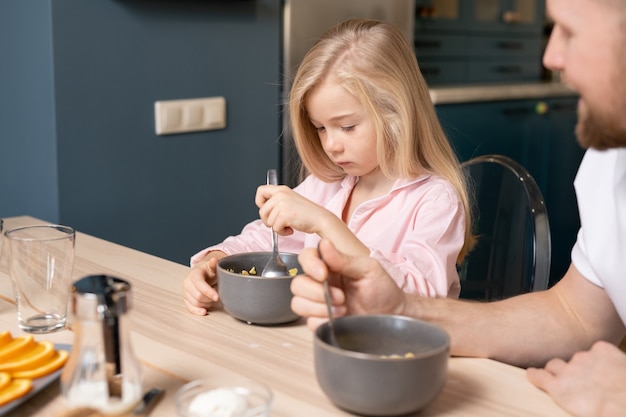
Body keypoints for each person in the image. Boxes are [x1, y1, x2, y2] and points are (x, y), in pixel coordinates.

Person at [290, 0, 626, 416]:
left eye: (570, 31)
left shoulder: (433, 197)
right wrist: (403, 309)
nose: (550, 56)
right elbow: (575, 314)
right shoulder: (610, 162)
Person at [183, 18, 474, 316]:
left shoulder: (435, 200)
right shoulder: (329, 183)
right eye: (320, 128)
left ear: (396, 114)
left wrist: (326, 224)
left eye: (347, 127)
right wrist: (215, 262)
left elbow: (421, 301)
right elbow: (263, 239)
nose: (331, 145)